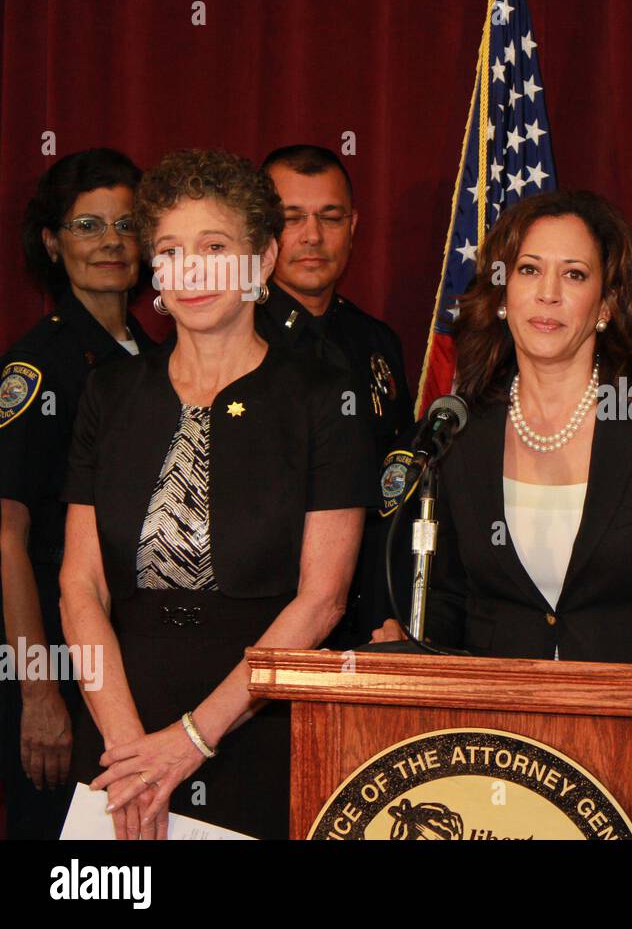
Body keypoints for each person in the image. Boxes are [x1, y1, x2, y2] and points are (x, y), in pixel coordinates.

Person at [59, 149, 375, 840]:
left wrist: (190, 743)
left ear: (262, 261)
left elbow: (321, 601)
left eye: (214, 247)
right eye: (170, 250)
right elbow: (80, 588)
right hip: (118, 739)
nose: (189, 270)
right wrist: (129, 752)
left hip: (252, 737)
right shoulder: (110, 393)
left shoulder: (325, 398)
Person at [371, 190, 632, 669]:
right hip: (496, 728)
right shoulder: (456, 428)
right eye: (529, 269)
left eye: (574, 274)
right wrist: (413, 643)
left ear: (606, 304)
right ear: (503, 294)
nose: (548, 293)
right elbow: (452, 595)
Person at [0, 148, 153, 839]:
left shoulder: (157, 357)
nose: (112, 243)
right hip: (58, 661)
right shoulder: (37, 367)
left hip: (135, 656)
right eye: (89, 226)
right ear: (52, 243)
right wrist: (38, 689)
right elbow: (6, 535)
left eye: (126, 225)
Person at [257, 144, 412, 649]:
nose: (312, 236)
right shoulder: (232, 338)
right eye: (291, 218)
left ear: (354, 226)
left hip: (369, 624)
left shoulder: (377, 342)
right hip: (267, 623)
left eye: (330, 216)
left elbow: (396, 489)